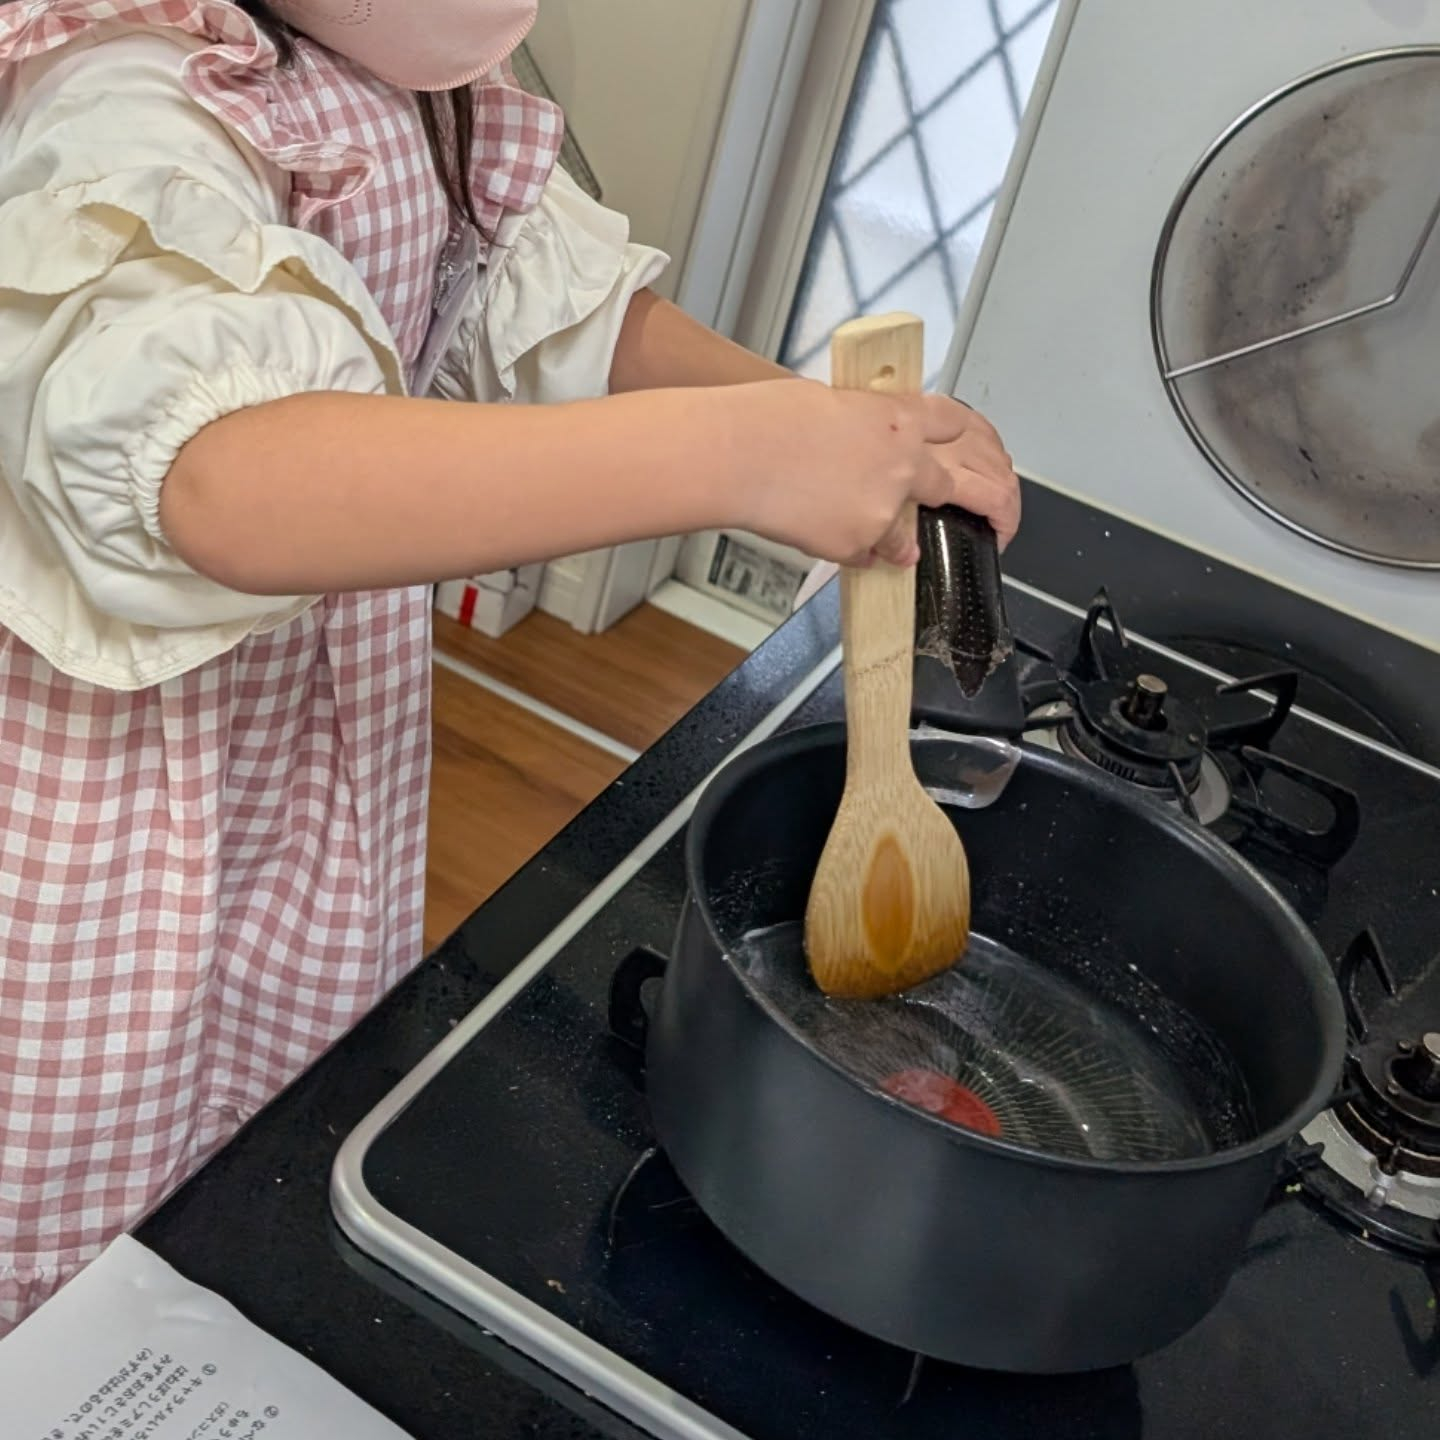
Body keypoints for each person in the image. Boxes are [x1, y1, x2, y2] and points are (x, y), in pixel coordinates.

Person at [0, 0, 1021, 1332]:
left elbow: (562, 321)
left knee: (244, 1101)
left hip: (290, 755)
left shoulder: (410, 81)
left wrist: (823, 428)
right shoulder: (131, 95)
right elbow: (214, 478)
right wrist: (740, 460)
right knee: (90, 1160)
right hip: (110, 815)